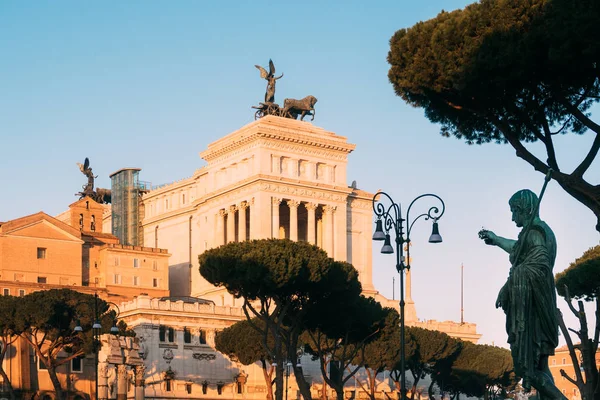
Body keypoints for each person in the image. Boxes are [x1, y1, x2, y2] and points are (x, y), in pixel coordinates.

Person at [479, 189, 565, 400]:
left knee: (527, 368)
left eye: (514, 211)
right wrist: (496, 239)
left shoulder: (536, 232)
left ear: (524, 209)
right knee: (541, 365)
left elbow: (537, 266)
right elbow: (519, 250)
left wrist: (509, 285)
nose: (512, 216)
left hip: (533, 309)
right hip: (540, 303)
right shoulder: (535, 232)